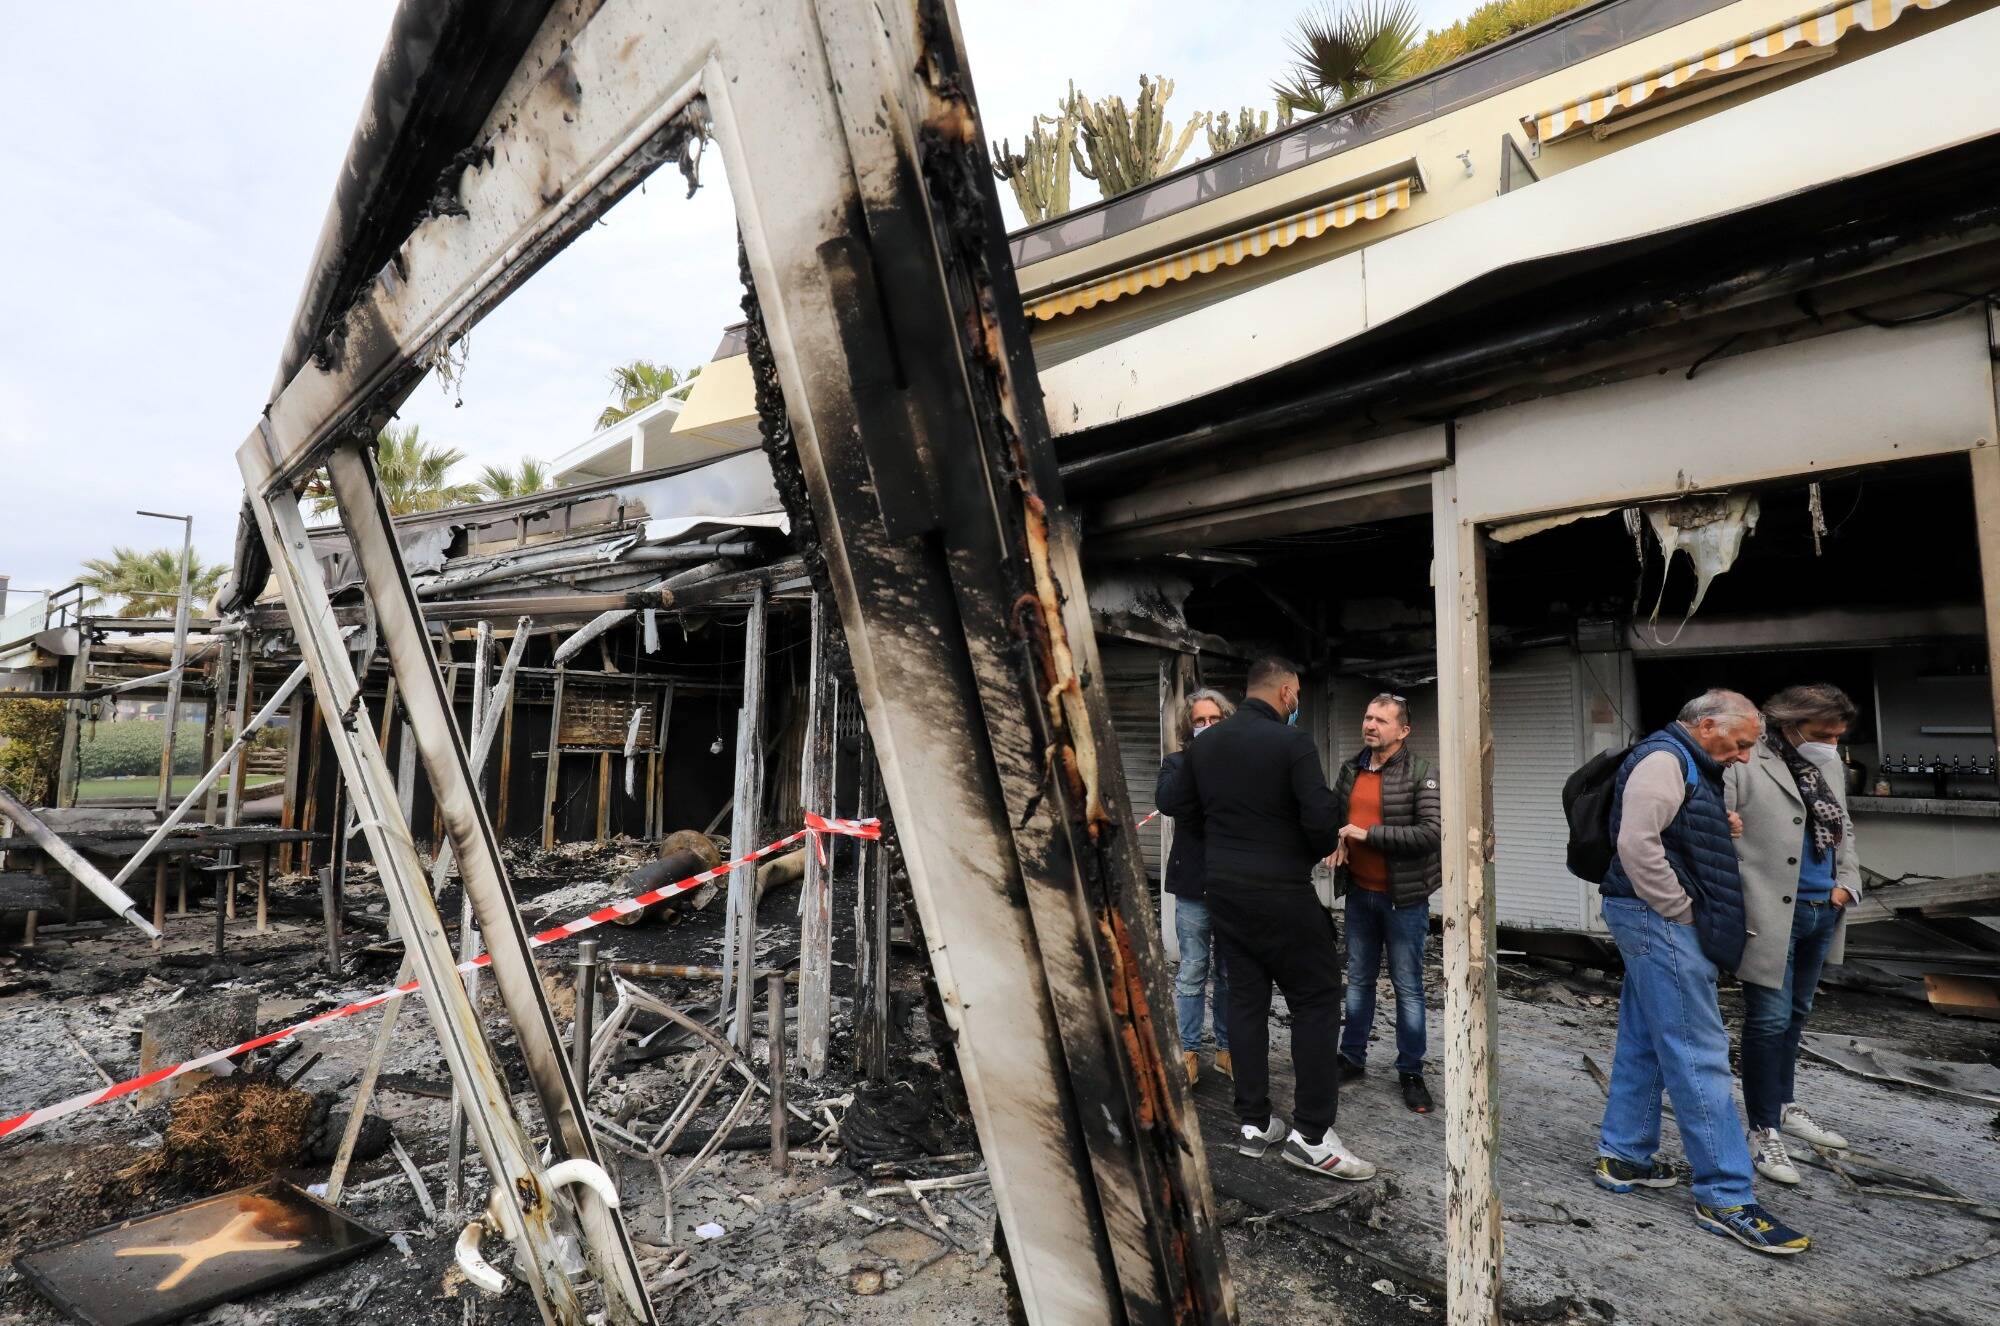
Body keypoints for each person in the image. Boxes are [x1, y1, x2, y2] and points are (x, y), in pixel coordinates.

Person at [1592, 689, 1811, 1256]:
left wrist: (1717, 824)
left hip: (1648, 916)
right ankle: (1726, 1195)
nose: (1743, 756)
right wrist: (1681, 911)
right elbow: (1637, 845)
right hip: (1656, 917)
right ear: (1707, 724)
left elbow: (1670, 833)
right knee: (1699, 1052)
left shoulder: (1686, 761)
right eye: (1740, 744)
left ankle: (1625, 1156)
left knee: (1645, 1038)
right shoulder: (1665, 760)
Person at [1158, 655, 1376, 1182]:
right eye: (1296, 693)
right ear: (1284, 692)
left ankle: (1255, 1122)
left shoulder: (1205, 744)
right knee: (1317, 999)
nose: (1296, 701)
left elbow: (1181, 807)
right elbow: (1322, 823)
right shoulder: (1292, 743)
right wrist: (1295, 846)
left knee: (1248, 998)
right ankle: (1313, 1136)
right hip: (1280, 890)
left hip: (1223, 890)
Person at [1727, 684, 1863, 1186]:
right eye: (1823, 733)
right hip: (1768, 912)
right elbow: (1723, 831)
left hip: (1821, 908)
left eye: (1838, 735)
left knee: (1797, 1013)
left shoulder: (1827, 763)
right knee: (1767, 1020)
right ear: (1790, 724)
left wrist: (1846, 885)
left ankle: (1783, 1105)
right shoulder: (1744, 758)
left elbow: (1845, 827)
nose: (1831, 743)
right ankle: (1762, 1130)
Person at [1329, 694, 1442, 1114]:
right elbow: (1334, 819)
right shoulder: (1350, 769)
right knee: (1357, 982)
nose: (1370, 724)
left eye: (1380, 719)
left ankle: (1411, 1071)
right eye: (1367, 716)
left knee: (1408, 988)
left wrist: (1366, 834)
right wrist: (1335, 840)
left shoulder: (1421, 774)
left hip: (1404, 901)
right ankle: (1351, 1057)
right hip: (1359, 894)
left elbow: (1430, 834)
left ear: (1403, 731)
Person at [1156, 688, 1236, 1087]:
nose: (1206, 727)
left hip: (1233, 886)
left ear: (1227, 721)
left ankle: (1226, 1050)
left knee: (1229, 972)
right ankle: (1187, 1051)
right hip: (1193, 886)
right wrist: (1197, 760)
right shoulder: (1176, 763)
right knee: (1191, 971)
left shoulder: (1242, 764)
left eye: (1213, 721)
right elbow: (1169, 802)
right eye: (1199, 722)